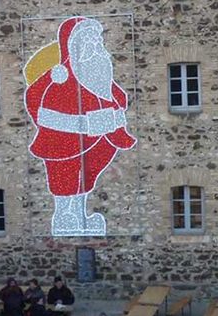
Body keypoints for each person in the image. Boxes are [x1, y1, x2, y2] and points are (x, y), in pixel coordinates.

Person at [24, 17, 137, 236]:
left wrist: (114, 116)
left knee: (86, 179)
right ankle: (62, 214)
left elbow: (117, 95)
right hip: (67, 139)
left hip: (100, 138)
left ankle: (80, 215)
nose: (94, 46)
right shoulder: (59, 74)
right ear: (72, 45)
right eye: (86, 40)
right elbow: (33, 96)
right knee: (65, 177)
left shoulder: (101, 71)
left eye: (96, 40)